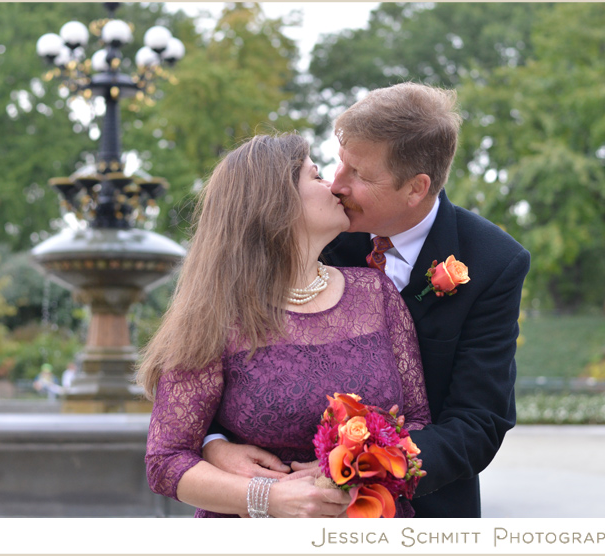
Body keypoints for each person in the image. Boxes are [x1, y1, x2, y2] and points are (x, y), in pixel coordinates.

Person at [203, 82, 530, 518]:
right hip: (278, 501)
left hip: (424, 516)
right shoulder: (315, 234)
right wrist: (215, 445)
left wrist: (358, 469)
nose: (337, 185)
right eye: (340, 164)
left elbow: (478, 422)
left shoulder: (493, 262)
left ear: (416, 188)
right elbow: (222, 353)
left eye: (359, 174)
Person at [139, 133, 431, 518]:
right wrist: (266, 498)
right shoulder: (215, 314)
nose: (333, 186)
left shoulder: (375, 292)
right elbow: (165, 460)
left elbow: (418, 422)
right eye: (316, 176)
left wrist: (364, 468)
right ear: (277, 203)